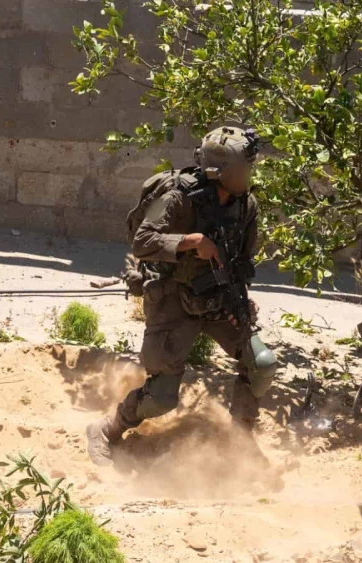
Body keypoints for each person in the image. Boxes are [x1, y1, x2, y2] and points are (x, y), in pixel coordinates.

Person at [87, 126, 278, 466]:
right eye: (246, 167)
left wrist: (241, 303)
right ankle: (107, 430)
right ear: (224, 172)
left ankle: (241, 440)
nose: (251, 173)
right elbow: (143, 243)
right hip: (174, 300)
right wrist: (191, 242)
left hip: (219, 300)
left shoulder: (246, 205)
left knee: (260, 364)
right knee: (161, 398)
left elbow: (242, 262)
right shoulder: (179, 198)